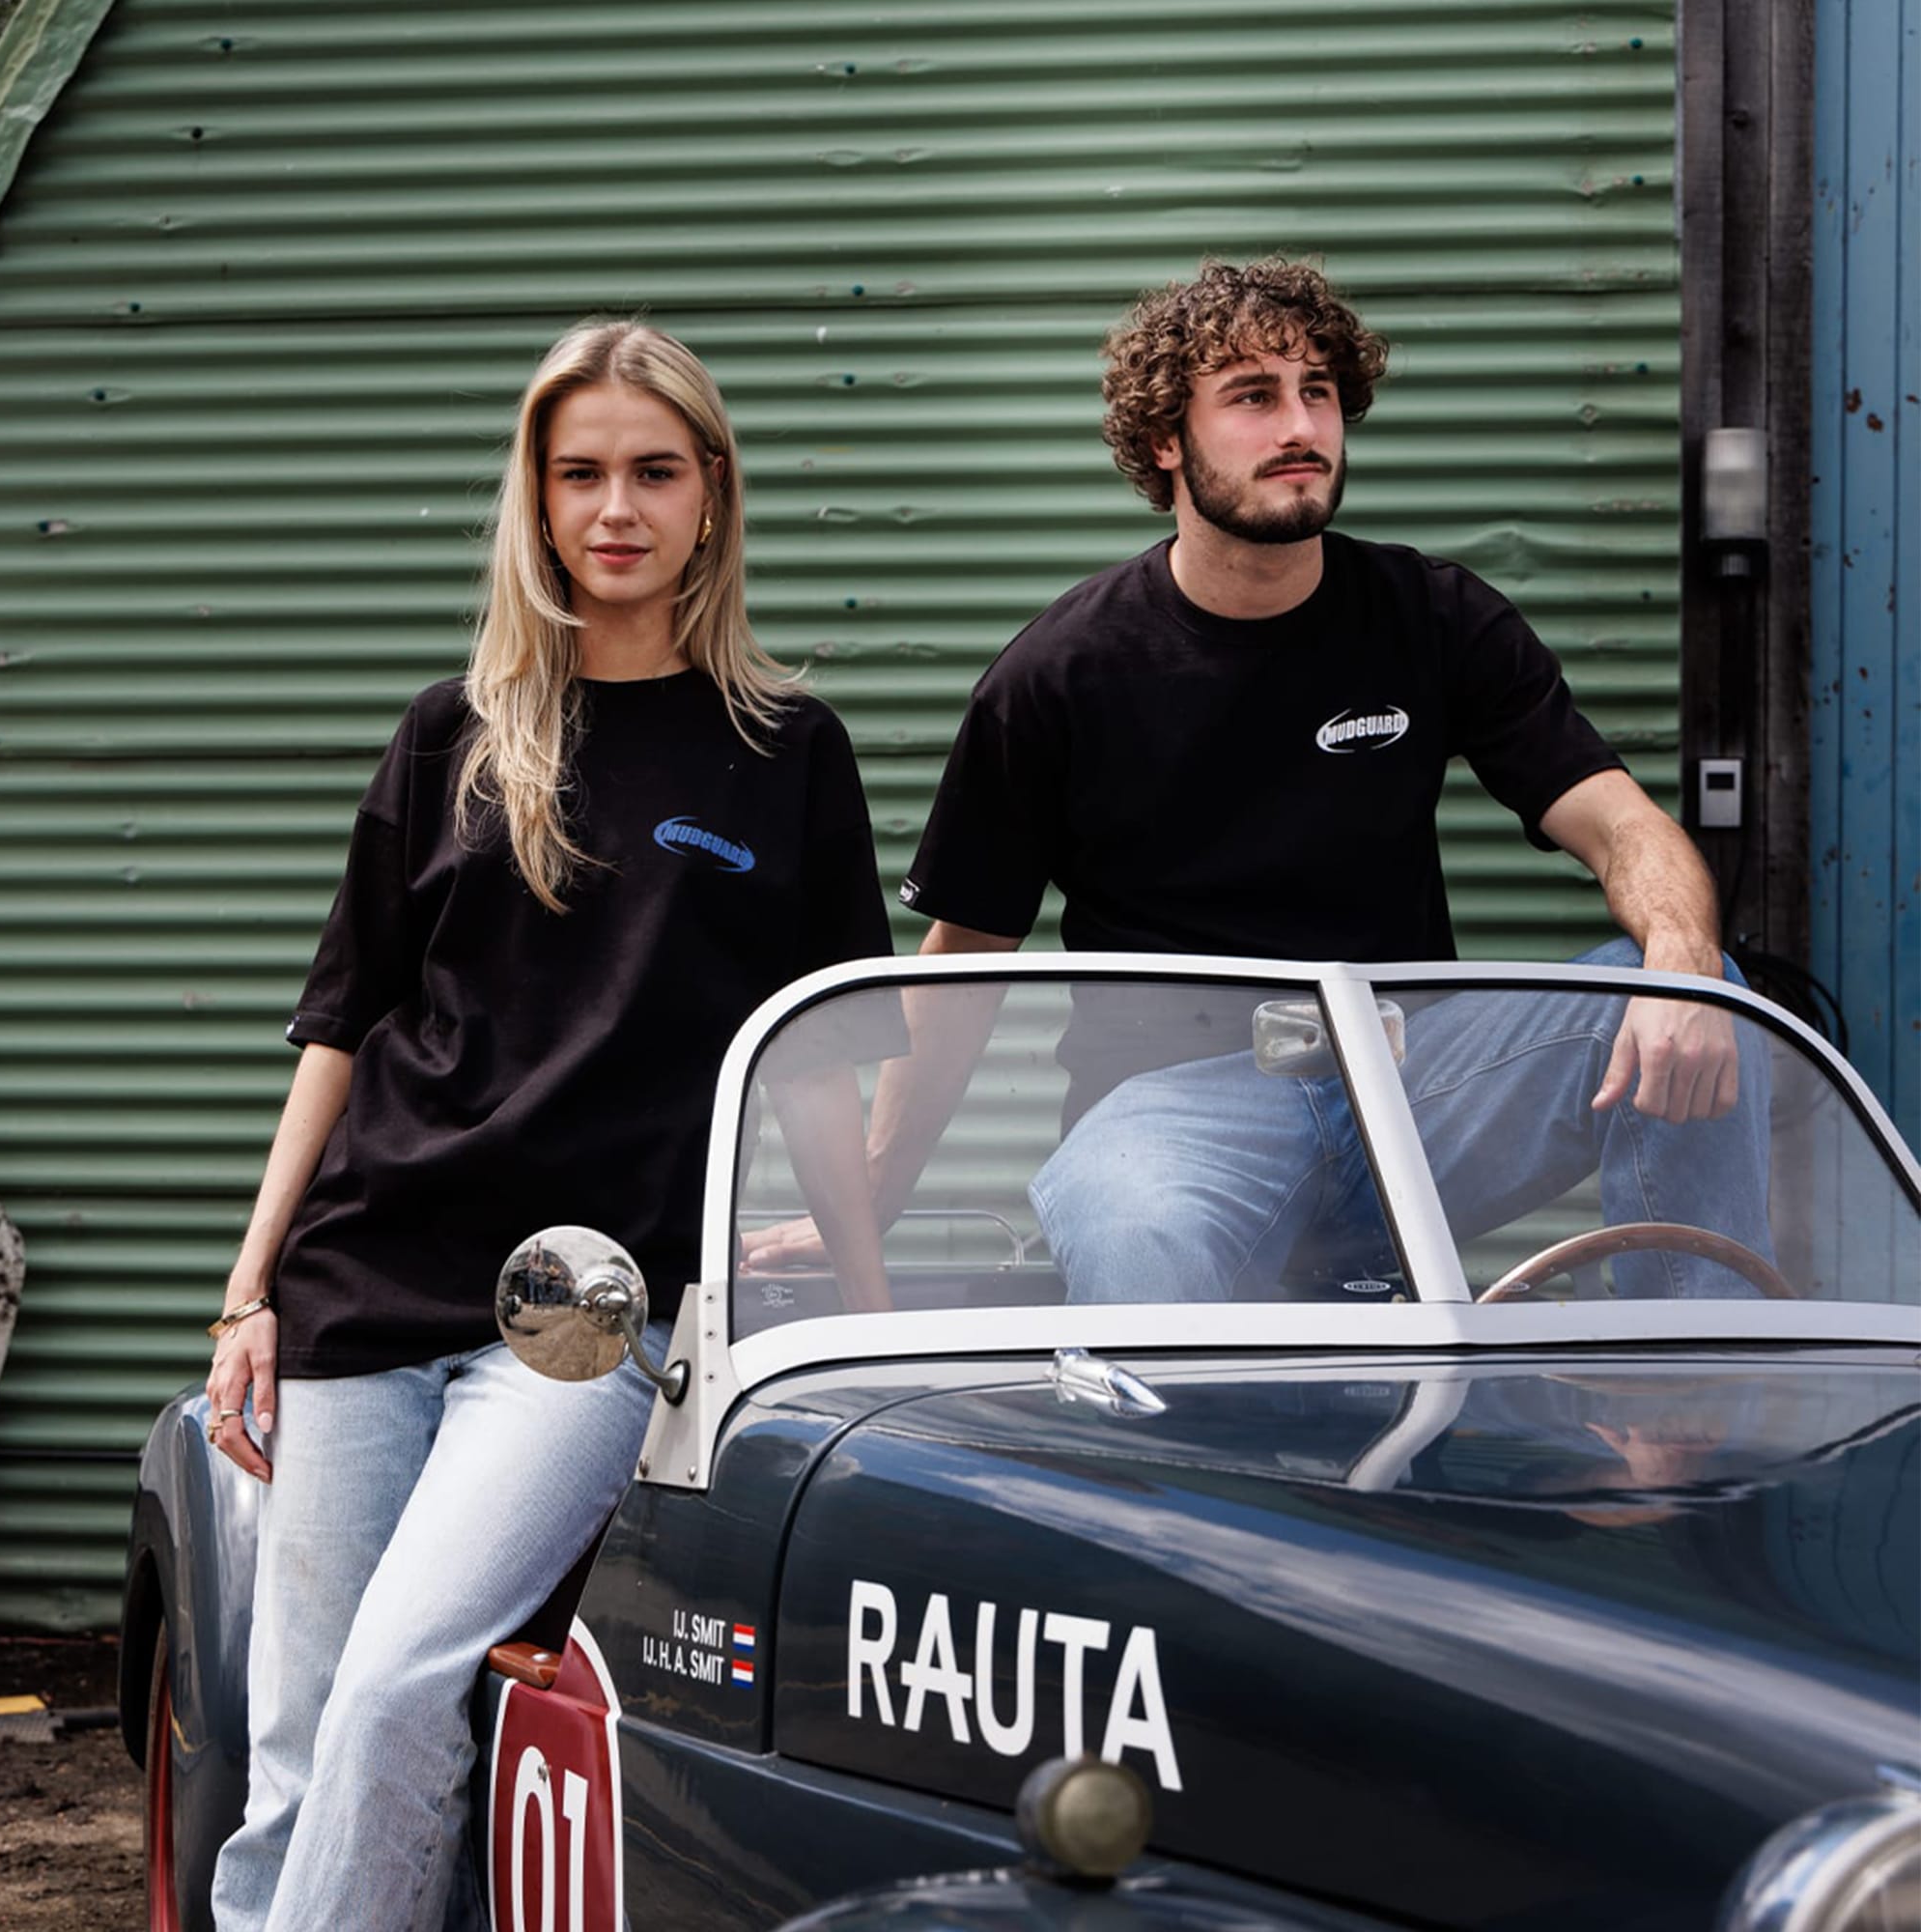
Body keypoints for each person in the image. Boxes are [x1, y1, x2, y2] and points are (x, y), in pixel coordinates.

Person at [203, 320, 892, 1932]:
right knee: (306, 1747)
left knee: (392, 1694)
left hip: (581, 1302)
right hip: (366, 1277)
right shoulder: (453, 733)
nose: (614, 508)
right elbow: (343, 1027)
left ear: (712, 496)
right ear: (535, 496)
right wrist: (251, 1292)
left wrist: (863, 1297)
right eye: (578, 473)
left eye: (653, 471)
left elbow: (816, 1066)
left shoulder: (787, 752)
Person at [744, 255, 1771, 1302]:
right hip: (1167, 1115)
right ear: (1162, 442)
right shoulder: (1056, 675)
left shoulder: (1432, 617)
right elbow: (962, 961)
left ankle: (1683, 1426)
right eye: (1251, 396)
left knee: (1690, 995)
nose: (1298, 426)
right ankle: (1164, 1467)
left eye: (1316, 392)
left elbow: (1618, 823)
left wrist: (1682, 956)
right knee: (1133, 1223)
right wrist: (872, 1190)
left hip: (1405, 1085)